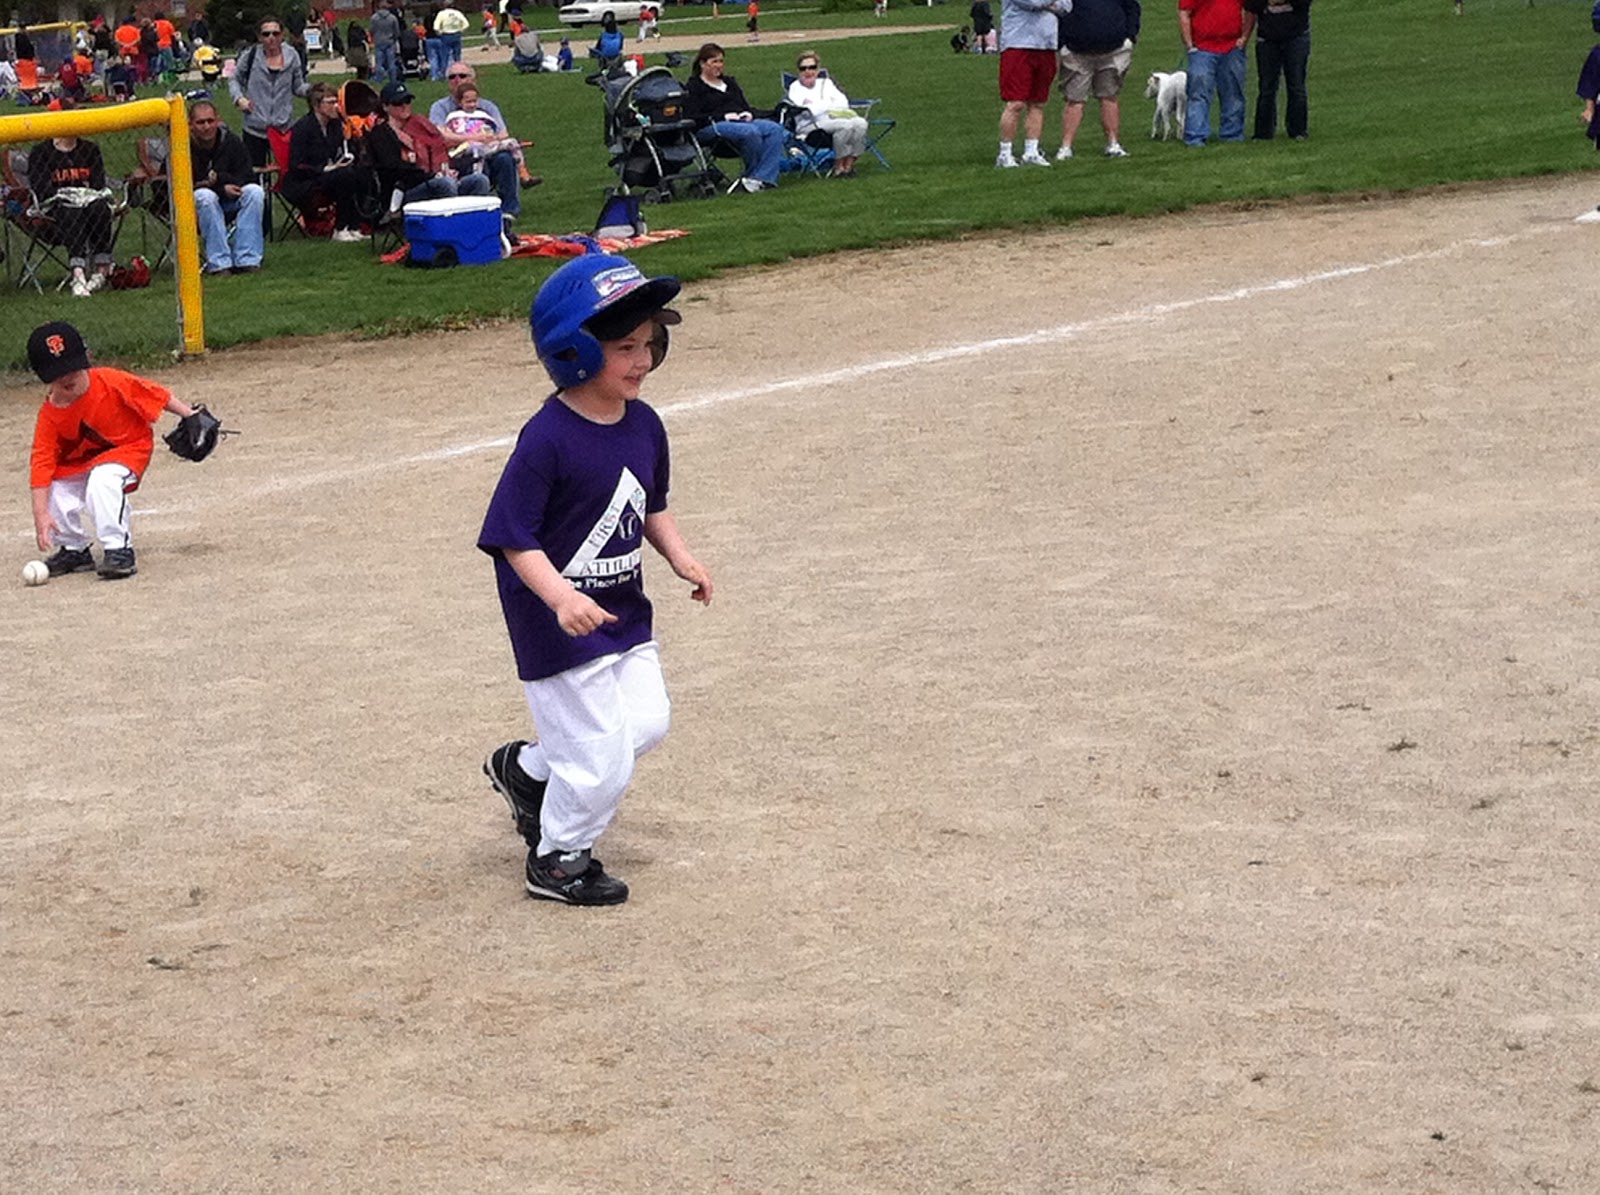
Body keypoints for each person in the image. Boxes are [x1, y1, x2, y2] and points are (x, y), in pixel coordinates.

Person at [479, 255, 714, 906]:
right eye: (623, 347)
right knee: (602, 757)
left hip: (620, 609)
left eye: (650, 344)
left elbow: (651, 504)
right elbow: (510, 536)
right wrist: (559, 598)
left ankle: (528, 773)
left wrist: (681, 557)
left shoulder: (643, 423)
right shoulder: (547, 439)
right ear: (573, 352)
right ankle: (557, 856)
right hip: (555, 620)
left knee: (646, 721)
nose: (642, 360)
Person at [26, 321, 203, 581]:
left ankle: (118, 549)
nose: (67, 376)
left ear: (86, 358)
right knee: (53, 486)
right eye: (57, 371)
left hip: (128, 449)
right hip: (81, 463)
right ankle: (74, 548)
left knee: (103, 480)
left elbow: (155, 394)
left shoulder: (110, 381)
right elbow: (41, 463)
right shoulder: (50, 416)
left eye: (73, 367)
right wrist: (41, 515)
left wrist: (189, 414)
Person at [370, 79, 496, 207]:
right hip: (406, 189)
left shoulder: (421, 124)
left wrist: (449, 169)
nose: (404, 106)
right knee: (445, 184)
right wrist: (432, 176)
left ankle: (473, 223)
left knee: (479, 181)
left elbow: (440, 150)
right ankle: (450, 224)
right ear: (385, 106)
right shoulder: (381, 133)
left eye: (407, 101)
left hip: (437, 178)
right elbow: (393, 169)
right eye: (397, 103)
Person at [683, 43, 787, 192]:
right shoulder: (694, 87)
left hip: (741, 122)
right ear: (702, 64)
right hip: (711, 127)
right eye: (714, 62)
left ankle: (763, 178)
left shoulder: (730, 83)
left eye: (721, 61)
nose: (719, 65)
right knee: (750, 131)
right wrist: (723, 116)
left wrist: (748, 114)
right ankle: (752, 177)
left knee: (774, 129)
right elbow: (693, 117)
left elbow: (744, 106)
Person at [429, 65, 529, 218]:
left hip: (489, 149)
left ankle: (509, 210)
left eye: (462, 76)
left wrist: (488, 140)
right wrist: (474, 138)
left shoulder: (487, 107)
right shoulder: (441, 107)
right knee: (475, 158)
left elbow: (502, 133)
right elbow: (440, 136)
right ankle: (479, 209)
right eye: (452, 77)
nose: (457, 80)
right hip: (458, 155)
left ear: (473, 80)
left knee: (505, 157)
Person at [27, 131, 115, 297]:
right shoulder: (41, 152)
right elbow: (42, 189)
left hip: (88, 204)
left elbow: (98, 184)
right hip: (55, 211)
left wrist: (83, 197)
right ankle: (78, 273)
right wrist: (69, 195)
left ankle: (102, 269)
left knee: (100, 207)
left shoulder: (90, 149)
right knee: (70, 211)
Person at [1055, 0, 1140, 160]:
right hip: (1076, 52)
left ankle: (1113, 144)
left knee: (1109, 96)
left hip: (1114, 50)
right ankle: (1066, 147)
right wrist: (1061, 44)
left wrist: (1130, 36)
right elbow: (1059, 11)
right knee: (1075, 100)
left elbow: (1132, 7)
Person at [189, 100, 266, 274]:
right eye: (200, 122)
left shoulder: (231, 142)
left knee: (254, 192)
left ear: (218, 120)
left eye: (210, 121)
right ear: (190, 124)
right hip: (193, 205)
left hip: (228, 200)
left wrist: (222, 181)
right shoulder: (183, 147)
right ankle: (219, 263)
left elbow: (247, 175)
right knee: (205, 196)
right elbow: (176, 184)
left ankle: (247, 259)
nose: (206, 126)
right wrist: (221, 188)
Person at [284, 83, 369, 241]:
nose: (335, 106)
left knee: (359, 171)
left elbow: (342, 149)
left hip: (330, 173)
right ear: (317, 105)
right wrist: (326, 168)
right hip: (305, 180)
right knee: (344, 176)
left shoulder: (335, 125)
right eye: (330, 102)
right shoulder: (303, 128)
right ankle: (340, 227)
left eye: (336, 101)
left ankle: (354, 225)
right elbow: (296, 164)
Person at [229, 17, 312, 173]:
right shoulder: (250, 55)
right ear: (259, 37)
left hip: (283, 128)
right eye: (266, 34)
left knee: (289, 173)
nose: (271, 38)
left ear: (282, 35)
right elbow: (234, 79)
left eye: (275, 33)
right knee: (253, 175)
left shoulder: (292, 55)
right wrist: (239, 99)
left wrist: (314, 91)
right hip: (254, 127)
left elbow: (298, 86)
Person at [996, 0, 1072, 167]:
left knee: (1037, 103)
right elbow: (1034, 2)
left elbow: (1067, 6)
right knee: (1015, 103)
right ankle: (1005, 153)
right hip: (1018, 44)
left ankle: (1031, 151)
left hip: (1046, 45)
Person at [785, 51, 870, 179]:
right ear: (799, 71)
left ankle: (849, 165)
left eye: (812, 67)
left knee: (861, 123)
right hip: (809, 126)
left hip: (833, 120)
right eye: (803, 68)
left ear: (818, 69)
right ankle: (838, 166)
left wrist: (818, 105)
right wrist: (828, 104)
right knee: (845, 126)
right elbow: (807, 111)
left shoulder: (827, 83)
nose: (808, 71)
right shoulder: (795, 88)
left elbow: (843, 103)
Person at [439, 80, 540, 186]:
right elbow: (457, 135)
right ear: (460, 102)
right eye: (468, 102)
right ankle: (478, 178)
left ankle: (524, 174)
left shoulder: (483, 115)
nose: (472, 104)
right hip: (467, 148)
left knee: (511, 142)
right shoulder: (455, 117)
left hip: (487, 145)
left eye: (475, 101)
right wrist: (476, 138)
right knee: (476, 149)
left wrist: (493, 137)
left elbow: (493, 130)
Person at [1179, 0, 1252, 146]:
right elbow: (1184, 13)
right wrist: (1190, 45)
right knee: (1199, 93)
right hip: (1202, 47)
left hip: (1231, 46)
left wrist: (1244, 38)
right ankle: (1195, 136)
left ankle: (1232, 134)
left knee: (1233, 92)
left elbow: (1250, 9)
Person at [1244, 0, 1310, 140]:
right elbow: (1252, 5)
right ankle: (1263, 133)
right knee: (1267, 87)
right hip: (1267, 38)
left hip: (1296, 35)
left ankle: (1298, 130)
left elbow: (1303, 3)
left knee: (1296, 85)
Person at [431, 4, 470, 78]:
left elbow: (436, 26)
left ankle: (444, 74)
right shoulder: (458, 13)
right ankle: (459, 72)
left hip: (446, 35)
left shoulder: (441, 14)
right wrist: (461, 30)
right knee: (457, 56)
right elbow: (466, 24)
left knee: (445, 56)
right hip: (456, 35)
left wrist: (439, 32)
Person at [370, 0, 402, 84]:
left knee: (379, 63)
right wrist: (393, 39)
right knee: (391, 62)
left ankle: (379, 79)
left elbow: (372, 30)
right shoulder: (392, 18)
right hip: (389, 41)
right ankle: (393, 80)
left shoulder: (374, 18)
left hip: (378, 41)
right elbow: (397, 31)